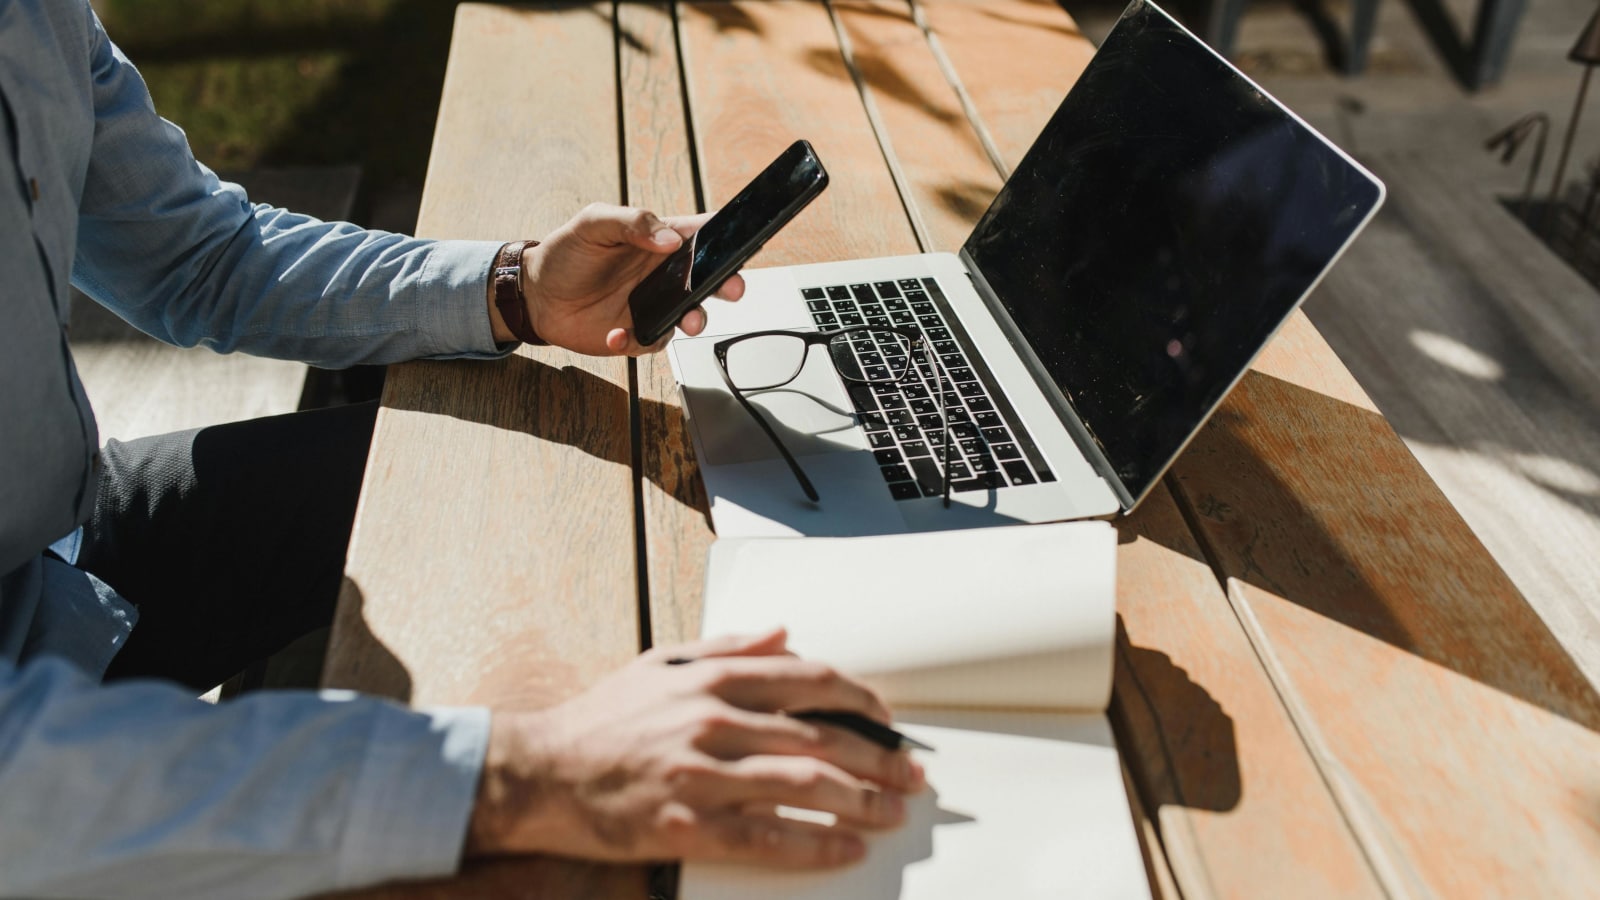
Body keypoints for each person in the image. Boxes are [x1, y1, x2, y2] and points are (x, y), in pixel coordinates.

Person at [0, 2, 924, 897]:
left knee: (485, 474)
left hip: (58, 544)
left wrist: (516, 292)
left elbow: (198, 258)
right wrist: (528, 773)